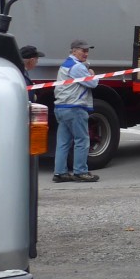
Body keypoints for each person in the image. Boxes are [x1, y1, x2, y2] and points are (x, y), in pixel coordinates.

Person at [53, 39, 100, 183]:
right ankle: (80, 172)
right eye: (83, 50)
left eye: (87, 51)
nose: (86, 53)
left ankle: (60, 173)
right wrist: (92, 73)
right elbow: (92, 83)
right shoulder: (77, 67)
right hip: (74, 107)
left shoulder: (66, 65)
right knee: (82, 140)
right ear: (74, 51)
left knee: (63, 142)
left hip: (61, 108)